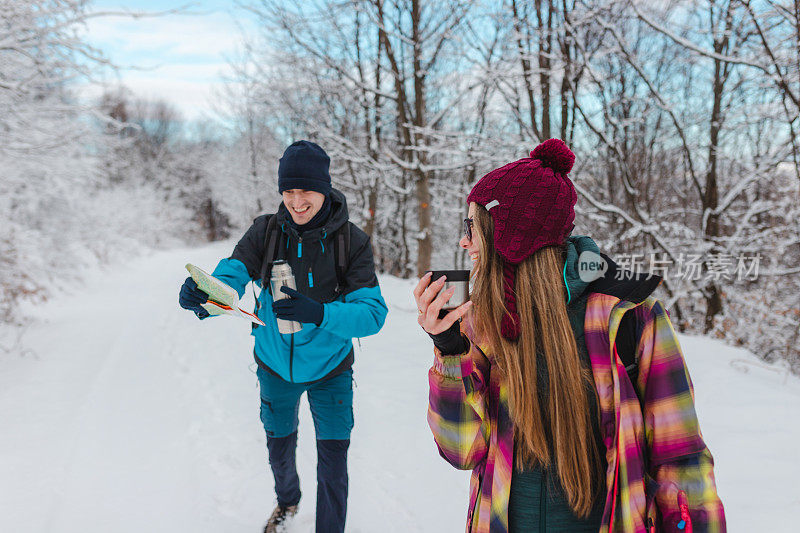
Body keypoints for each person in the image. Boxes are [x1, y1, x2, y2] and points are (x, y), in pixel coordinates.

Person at [415, 139, 725, 532]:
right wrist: (450, 350)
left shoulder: (631, 320)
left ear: (510, 235)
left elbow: (681, 460)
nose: (464, 241)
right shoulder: (482, 322)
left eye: (472, 227)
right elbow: (461, 450)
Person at [179, 140, 388, 533]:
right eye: (288, 192)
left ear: (324, 188)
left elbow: (373, 315)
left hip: (331, 371)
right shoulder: (266, 231)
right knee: (279, 451)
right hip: (274, 365)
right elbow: (232, 274)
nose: (296, 201)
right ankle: (288, 502)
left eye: (304, 191)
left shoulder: (351, 242)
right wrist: (205, 293)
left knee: (333, 463)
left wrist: (320, 312)